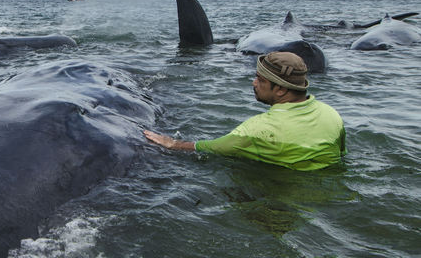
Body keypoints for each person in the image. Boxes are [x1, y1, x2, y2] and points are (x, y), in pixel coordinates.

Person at [143, 51, 345, 171]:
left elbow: (209, 147)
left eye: (261, 80)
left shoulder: (257, 129)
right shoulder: (332, 114)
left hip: (279, 194)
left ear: (281, 89)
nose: (254, 83)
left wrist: (173, 144)